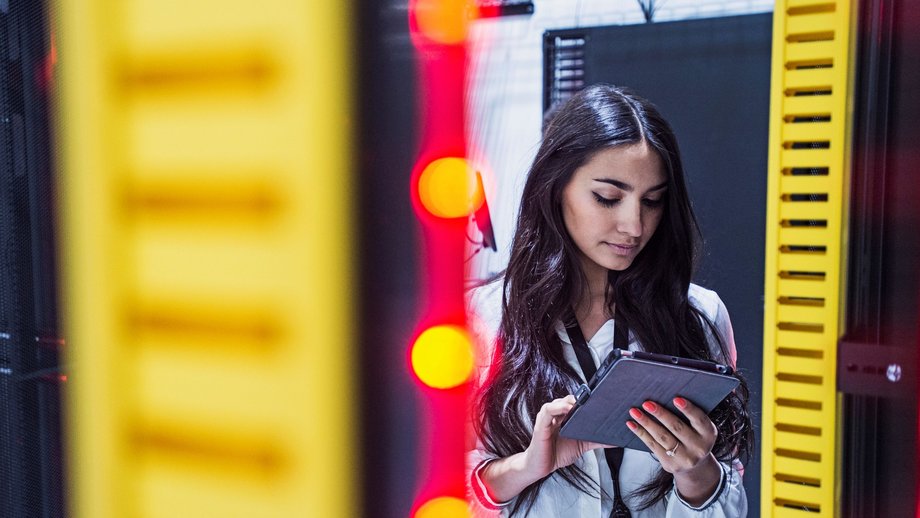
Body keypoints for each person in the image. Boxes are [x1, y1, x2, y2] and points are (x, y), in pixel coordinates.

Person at [466, 84, 753, 517]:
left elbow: (729, 491)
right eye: (608, 198)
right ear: (555, 187)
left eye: (652, 202)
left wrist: (697, 474)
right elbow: (446, 491)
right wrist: (526, 467)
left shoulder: (698, 315)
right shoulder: (485, 318)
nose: (634, 226)